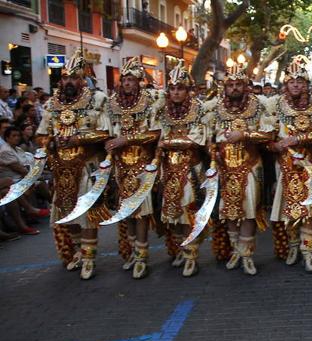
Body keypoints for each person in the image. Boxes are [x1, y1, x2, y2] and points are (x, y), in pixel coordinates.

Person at [36, 49, 112, 280]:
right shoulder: (52, 104)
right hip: (62, 169)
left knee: (87, 213)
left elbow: (106, 133)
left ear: (83, 79)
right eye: (66, 77)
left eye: (75, 77)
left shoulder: (98, 100)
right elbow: (41, 135)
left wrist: (80, 138)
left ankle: (89, 257)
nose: (70, 81)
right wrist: (50, 141)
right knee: (66, 211)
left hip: (87, 166)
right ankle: (79, 251)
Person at [212, 62, 275, 276]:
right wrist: (213, 150)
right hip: (226, 168)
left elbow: (269, 134)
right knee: (229, 211)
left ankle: (246, 254)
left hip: (250, 165)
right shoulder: (215, 107)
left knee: (249, 210)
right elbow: (207, 137)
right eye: (230, 85)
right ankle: (236, 251)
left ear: (246, 86)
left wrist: (245, 135)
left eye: (239, 84)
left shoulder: (258, 106)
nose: (234, 89)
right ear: (225, 88)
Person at [268, 60, 312, 273]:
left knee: (310, 209)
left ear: (306, 84)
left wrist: (298, 139)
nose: (295, 85)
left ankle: (308, 252)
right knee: (288, 208)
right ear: (285, 84)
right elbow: (267, 135)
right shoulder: (274, 104)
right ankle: (294, 247)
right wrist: (274, 145)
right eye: (291, 81)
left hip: (310, 166)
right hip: (283, 166)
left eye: (300, 81)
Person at [105, 57, 163, 279]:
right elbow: (108, 133)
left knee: (140, 213)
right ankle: (132, 253)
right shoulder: (113, 104)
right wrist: (109, 143)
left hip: (142, 167)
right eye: (124, 79)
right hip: (121, 168)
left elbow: (155, 133)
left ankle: (141, 256)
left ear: (139, 82)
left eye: (131, 80)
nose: (127, 83)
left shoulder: (150, 102)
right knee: (126, 213)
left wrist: (126, 141)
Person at [153, 60, 210, 277]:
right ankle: (181, 249)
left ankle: (191, 255)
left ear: (188, 90)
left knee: (188, 212)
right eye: (173, 88)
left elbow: (195, 141)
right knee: (172, 214)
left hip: (190, 169)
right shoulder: (162, 111)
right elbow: (156, 136)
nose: (176, 93)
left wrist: (167, 143)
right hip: (168, 170)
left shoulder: (199, 109)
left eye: (180, 88)